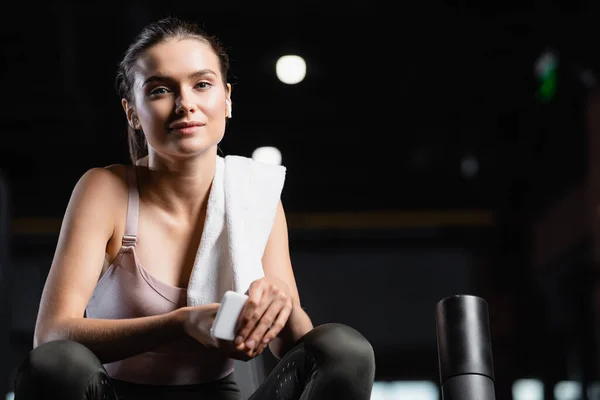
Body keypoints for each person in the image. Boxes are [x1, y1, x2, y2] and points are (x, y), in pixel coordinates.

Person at [13, 16, 375, 400]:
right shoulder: (107, 190)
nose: (186, 104)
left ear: (227, 99)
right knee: (56, 364)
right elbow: (50, 336)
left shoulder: (254, 192)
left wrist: (281, 306)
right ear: (132, 112)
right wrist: (182, 323)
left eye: (202, 84)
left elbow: (293, 347)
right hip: (115, 394)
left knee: (344, 349)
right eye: (159, 90)